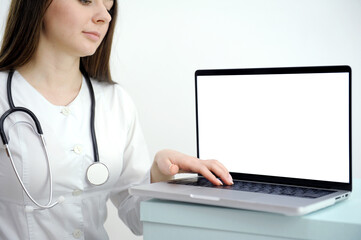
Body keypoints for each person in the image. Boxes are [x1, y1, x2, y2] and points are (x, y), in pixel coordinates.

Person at [0, 0, 233, 239]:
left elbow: (136, 218)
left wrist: (158, 178)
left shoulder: (115, 101)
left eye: (109, 6)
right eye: (86, 1)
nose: (105, 16)